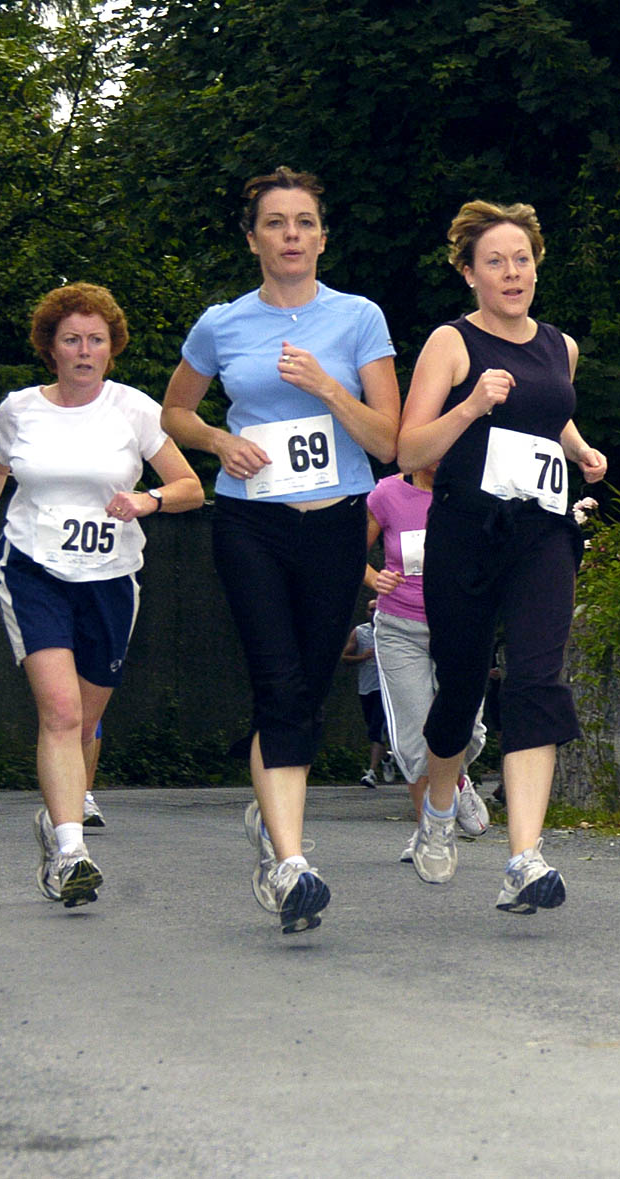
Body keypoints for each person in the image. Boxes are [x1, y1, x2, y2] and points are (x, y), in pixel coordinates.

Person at [161, 166, 400, 934]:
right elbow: (174, 412)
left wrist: (331, 389)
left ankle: (275, 828)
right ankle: (292, 864)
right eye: (276, 222)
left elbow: (389, 440)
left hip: (335, 524)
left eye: (304, 222)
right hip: (250, 523)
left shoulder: (359, 317)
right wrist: (219, 439)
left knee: (307, 682)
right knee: (277, 678)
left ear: (323, 237)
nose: (291, 235)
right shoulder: (222, 324)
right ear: (254, 238)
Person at [0, 282, 204, 907]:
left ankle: (57, 820)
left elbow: (190, 487)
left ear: (111, 348)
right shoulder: (20, 410)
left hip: (111, 579)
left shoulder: (134, 411)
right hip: (33, 569)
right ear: (52, 347)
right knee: (62, 713)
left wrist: (147, 499)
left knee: (89, 721)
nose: (84, 350)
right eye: (72, 339)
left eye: (96, 340)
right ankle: (71, 851)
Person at [396, 200, 607, 912]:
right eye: (495, 261)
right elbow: (409, 449)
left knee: (537, 679)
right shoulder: (452, 345)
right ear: (469, 273)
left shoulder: (560, 345)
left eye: (522, 259)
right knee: (458, 689)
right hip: (466, 534)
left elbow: (549, 412)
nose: (512, 272)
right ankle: (436, 809)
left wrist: (579, 450)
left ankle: (524, 856)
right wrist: (469, 407)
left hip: (543, 534)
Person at [364, 466, 490, 859]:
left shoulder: (474, 488)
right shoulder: (387, 494)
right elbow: (344, 549)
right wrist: (374, 578)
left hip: (461, 624)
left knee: (466, 731)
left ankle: (456, 781)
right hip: (402, 627)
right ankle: (430, 836)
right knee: (416, 738)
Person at [341, 615, 389, 788]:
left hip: (386, 689)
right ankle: (386, 756)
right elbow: (345, 657)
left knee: (377, 729)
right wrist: (363, 656)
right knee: (372, 728)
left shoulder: (392, 631)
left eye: (377, 608)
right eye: (371, 609)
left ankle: (371, 773)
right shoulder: (360, 632)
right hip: (366, 688)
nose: (374, 612)